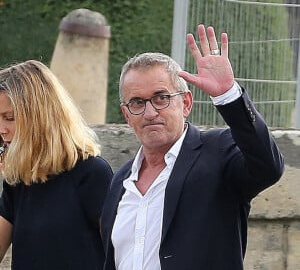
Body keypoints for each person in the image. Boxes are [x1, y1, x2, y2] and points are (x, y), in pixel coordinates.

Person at [101, 24, 284, 270]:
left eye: (161, 98)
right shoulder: (121, 181)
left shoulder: (218, 153)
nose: (150, 112)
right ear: (126, 114)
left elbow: (267, 166)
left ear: (186, 103)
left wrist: (228, 96)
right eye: (137, 102)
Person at [0, 60, 113, 269]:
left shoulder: (91, 173)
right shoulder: (18, 180)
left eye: (10, 118)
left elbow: (120, 254)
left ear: (41, 117)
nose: (1, 129)